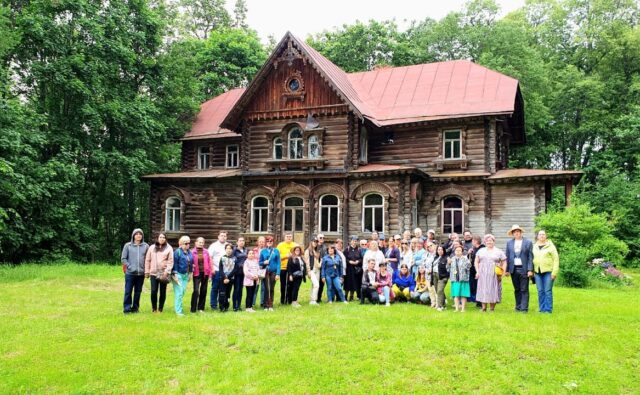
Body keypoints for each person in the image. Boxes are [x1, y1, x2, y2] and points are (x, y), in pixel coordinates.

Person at [505, 225, 534, 313]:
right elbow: (507, 256)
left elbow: (530, 257)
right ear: (512, 234)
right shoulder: (509, 243)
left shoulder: (528, 242)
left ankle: (524, 308)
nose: (516, 233)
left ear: (521, 232)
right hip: (513, 269)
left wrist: (530, 269)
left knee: (524, 289)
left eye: (518, 231)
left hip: (524, 269)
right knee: (517, 289)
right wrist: (506, 270)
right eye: (514, 232)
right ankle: (518, 307)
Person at [475, 234, 507, 312]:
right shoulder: (481, 250)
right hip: (482, 272)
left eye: (491, 240)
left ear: (494, 241)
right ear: (485, 242)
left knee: (493, 289)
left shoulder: (498, 251)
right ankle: (483, 308)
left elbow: (504, 261)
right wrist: (477, 271)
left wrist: (503, 271)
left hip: (494, 272)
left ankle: (492, 308)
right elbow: (476, 261)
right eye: (487, 240)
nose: (489, 242)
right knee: (483, 289)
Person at [121, 228, 149, 314]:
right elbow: (123, 259)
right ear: (133, 235)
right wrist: (130, 267)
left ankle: (135, 308)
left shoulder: (146, 246)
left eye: (140, 234)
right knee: (128, 291)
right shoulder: (128, 245)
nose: (138, 235)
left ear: (142, 236)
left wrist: (146, 270)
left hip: (141, 274)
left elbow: (148, 259)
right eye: (136, 234)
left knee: (138, 292)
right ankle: (127, 309)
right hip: (130, 273)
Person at [144, 233, 173, 313]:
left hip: (164, 273)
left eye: (164, 237)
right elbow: (147, 260)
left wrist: (167, 271)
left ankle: (160, 309)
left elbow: (170, 261)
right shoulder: (151, 247)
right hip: (153, 273)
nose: (162, 238)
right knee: (153, 291)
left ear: (165, 239)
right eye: (160, 237)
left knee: (163, 291)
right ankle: (154, 309)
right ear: (157, 238)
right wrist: (147, 271)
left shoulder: (169, 248)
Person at [532, 229, 559, 313]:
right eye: (540, 234)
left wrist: (554, 272)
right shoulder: (534, 246)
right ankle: (541, 309)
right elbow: (532, 258)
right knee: (540, 291)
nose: (542, 236)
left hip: (548, 272)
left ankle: (548, 309)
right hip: (537, 272)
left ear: (546, 236)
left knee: (547, 290)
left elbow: (556, 259)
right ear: (537, 236)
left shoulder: (551, 246)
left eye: (543, 234)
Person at [172, 235, 193, 316]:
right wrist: (175, 275)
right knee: (179, 293)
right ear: (181, 243)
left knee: (183, 292)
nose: (187, 244)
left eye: (188, 243)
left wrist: (190, 273)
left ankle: (179, 308)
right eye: (185, 243)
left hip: (186, 275)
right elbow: (175, 264)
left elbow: (191, 263)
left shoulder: (189, 252)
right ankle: (179, 311)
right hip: (178, 275)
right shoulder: (177, 252)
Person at [190, 237, 212, 313]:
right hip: (196, 273)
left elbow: (209, 263)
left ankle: (201, 308)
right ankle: (193, 308)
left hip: (205, 273)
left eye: (202, 242)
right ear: (196, 243)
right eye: (200, 242)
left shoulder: (206, 252)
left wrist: (210, 275)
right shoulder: (192, 252)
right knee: (196, 290)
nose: (201, 244)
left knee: (204, 290)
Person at [259, 236, 280, 311]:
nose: (269, 243)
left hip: (273, 271)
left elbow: (278, 263)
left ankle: (270, 305)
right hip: (266, 271)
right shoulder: (263, 251)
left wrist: (278, 273)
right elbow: (260, 263)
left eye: (271, 241)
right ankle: (265, 305)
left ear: (273, 242)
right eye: (268, 241)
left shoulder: (276, 251)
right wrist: (264, 262)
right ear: (266, 243)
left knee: (271, 288)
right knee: (266, 288)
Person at [208, 231, 227, 310]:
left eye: (225, 236)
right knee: (215, 288)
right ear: (218, 236)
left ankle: (222, 304)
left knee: (223, 289)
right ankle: (213, 304)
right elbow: (210, 258)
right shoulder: (213, 246)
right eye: (221, 235)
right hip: (216, 270)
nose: (223, 237)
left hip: (226, 271)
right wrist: (212, 269)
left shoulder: (228, 245)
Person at [276, 232, 298, 305]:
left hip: (292, 268)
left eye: (290, 236)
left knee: (291, 284)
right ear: (284, 237)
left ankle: (290, 300)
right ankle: (283, 300)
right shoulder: (280, 245)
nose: (289, 238)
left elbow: (299, 254)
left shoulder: (295, 245)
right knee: (283, 285)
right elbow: (277, 256)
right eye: (287, 236)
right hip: (283, 267)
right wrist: (286, 255)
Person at [450, 245, 471, 312]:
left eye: (459, 251)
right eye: (456, 250)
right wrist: (448, 263)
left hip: (463, 279)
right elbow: (448, 268)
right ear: (454, 251)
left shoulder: (465, 259)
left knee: (463, 294)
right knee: (456, 294)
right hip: (455, 279)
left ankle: (463, 309)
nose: (458, 252)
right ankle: (456, 308)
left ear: (462, 252)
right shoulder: (452, 259)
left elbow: (469, 267)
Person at [218, 243, 238, 312]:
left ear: (232, 250)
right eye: (227, 248)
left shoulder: (234, 258)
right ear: (225, 249)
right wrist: (224, 277)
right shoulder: (222, 258)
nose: (229, 250)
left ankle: (226, 306)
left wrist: (228, 277)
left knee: (228, 293)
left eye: (230, 249)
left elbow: (235, 269)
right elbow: (220, 269)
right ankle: (221, 307)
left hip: (230, 279)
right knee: (222, 293)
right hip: (222, 279)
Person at [344, 236, 363, 301]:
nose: (354, 242)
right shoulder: (347, 249)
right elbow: (344, 258)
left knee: (354, 283)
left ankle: (351, 296)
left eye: (356, 241)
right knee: (348, 283)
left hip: (356, 269)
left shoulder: (359, 250)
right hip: (349, 269)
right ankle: (345, 296)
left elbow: (361, 258)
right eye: (353, 241)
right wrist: (349, 261)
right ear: (351, 241)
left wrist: (358, 261)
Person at [467, 235, 484, 306]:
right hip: (472, 270)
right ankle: (477, 301)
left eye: (473, 241)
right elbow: (469, 259)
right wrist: (469, 253)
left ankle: (480, 302)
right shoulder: (474, 249)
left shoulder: (482, 249)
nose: (472, 243)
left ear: (476, 241)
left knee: (480, 286)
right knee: (474, 286)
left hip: (480, 270)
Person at [232, 237, 248, 312]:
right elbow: (233, 260)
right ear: (237, 242)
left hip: (243, 273)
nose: (242, 242)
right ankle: (235, 306)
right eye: (240, 241)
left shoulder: (245, 250)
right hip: (236, 273)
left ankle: (239, 305)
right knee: (236, 289)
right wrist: (240, 265)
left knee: (241, 290)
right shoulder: (234, 250)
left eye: (243, 241)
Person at [304, 237, 321, 305]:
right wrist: (308, 271)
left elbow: (317, 261)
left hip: (317, 269)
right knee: (316, 285)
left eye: (316, 242)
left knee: (313, 285)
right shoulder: (307, 251)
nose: (315, 243)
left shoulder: (316, 251)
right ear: (311, 242)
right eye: (314, 241)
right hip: (311, 270)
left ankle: (312, 300)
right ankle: (313, 300)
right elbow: (307, 262)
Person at [243, 248, 260, 312]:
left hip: (255, 280)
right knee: (249, 294)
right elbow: (246, 272)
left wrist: (257, 275)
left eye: (252, 253)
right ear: (247, 255)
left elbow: (258, 269)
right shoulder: (246, 262)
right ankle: (247, 307)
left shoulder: (255, 261)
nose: (251, 255)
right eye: (250, 253)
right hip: (249, 281)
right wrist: (253, 276)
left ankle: (251, 306)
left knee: (253, 293)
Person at [434, 245, 450, 311]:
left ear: (444, 250)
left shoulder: (447, 257)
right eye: (438, 250)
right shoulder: (436, 257)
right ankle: (443, 304)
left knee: (440, 290)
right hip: (434, 275)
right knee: (437, 290)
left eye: (441, 250)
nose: (440, 251)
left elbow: (449, 268)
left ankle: (439, 306)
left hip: (443, 276)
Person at [423, 242, 438, 308]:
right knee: (430, 290)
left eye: (430, 246)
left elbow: (437, 263)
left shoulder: (437, 254)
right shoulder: (426, 255)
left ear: (434, 246)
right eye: (428, 246)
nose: (429, 247)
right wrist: (426, 270)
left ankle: (438, 303)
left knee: (435, 290)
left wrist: (431, 270)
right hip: (427, 274)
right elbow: (423, 264)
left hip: (434, 274)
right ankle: (433, 303)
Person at [316, 234, 328, 302]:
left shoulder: (324, 247)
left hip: (323, 267)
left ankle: (319, 298)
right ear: (317, 238)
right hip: (316, 266)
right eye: (320, 237)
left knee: (322, 283)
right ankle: (314, 297)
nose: (322, 239)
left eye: (323, 237)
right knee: (316, 283)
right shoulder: (315, 246)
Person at [255, 236, 266, 308]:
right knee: (256, 287)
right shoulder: (254, 250)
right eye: (260, 242)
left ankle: (262, 302)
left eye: (263, 242)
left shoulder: (266, 250)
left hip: (264, 270)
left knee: (263, 287)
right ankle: (252, 302)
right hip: (256, 270)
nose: (261, 243)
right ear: (257, 242)